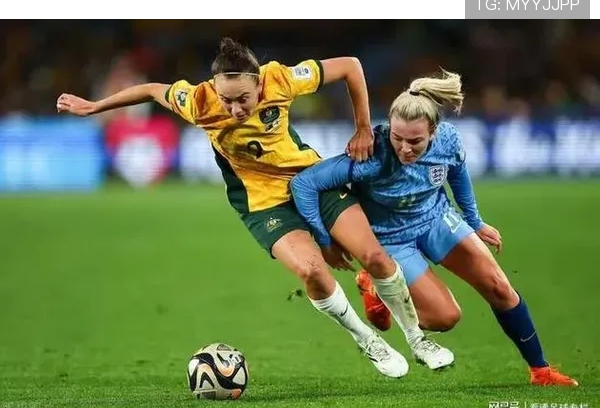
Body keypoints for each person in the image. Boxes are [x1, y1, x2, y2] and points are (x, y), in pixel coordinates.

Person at [56, 37, 453, 378]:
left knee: (375, 257)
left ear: (259, 83)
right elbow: (149, 89)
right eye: (226, 100)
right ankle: (367, 340)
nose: (235, 109)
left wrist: (363, 126)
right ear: (214, 88)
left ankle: (418, 339)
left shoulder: (280, 78)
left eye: (243, 99)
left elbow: (350, 66)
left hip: (314, 182)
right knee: (311, 270)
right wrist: (95, 107)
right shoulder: (197, 100)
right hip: (262, 203)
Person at [289, 69, 578, 387]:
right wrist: (324, 240)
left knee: (499, 287)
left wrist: (474, 221)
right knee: (445, 318)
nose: (404, 148)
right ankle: (379, 285)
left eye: (415, 141)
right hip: (392, 240)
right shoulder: (371, 154)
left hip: (437, 219)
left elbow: (458, 172)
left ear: (433, 132)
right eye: (397, 138)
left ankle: (540, 371)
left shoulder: (448, 139)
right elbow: (304, 184)